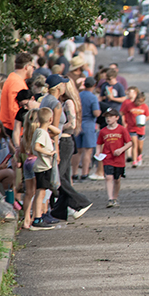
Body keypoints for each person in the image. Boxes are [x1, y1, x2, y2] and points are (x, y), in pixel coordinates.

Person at [49, 74, 92, 221]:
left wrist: (56, 127)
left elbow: (72, 124)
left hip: (65, 140)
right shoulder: (63, 102)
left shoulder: (68, 102)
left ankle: (81, 201)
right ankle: (60, 211)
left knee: (59, 177)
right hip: (64, 140)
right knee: (65, 176)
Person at [26, 107, 58, 229]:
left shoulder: (41, 131)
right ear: (50, 119)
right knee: (41, 192)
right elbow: (37, 147)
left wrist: (47, 124)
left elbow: (57, 132)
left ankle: (37, 216)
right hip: (42, 166)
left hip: (44, 165)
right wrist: (49, 153)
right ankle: (37, 218)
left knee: (42, 191)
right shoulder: (41, 133)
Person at [97, 108, 133, 208]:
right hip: (107, 158)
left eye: (111, 116)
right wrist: (97, 152)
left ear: (117, 117)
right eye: (106, 117)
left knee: (117, 179)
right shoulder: (103, 131)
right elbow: (99, 143)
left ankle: (115, 198)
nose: (108, 119)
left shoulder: (122, 129)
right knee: (109, 177)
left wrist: (121, 150)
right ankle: (110, 198)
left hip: (119, 159)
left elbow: (129, 143)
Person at [0, 53, 36, 136]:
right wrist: (19, 134)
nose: (33, 70)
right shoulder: (16, 82)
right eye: (33, 67)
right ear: (27, 67)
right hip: (12, 129)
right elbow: (14, 110)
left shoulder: (15, 79)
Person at [76, 77, 102, 181]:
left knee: (77, 151)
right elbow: (96, 113)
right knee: (87, 151)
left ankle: (74, 173)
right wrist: (99, 112)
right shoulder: (93, 97)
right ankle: (84, 173)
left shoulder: (78, 95)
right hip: (89, 125)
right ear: (94, 85)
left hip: (78, 124)